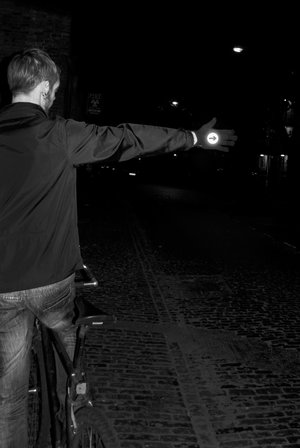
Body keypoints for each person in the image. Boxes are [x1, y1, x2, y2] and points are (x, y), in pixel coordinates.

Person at [0, 47, 237, 448]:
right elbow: (128, 138)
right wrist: (193, 137)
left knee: (8, 399)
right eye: (54, 91)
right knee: (67, 361)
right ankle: (71, 416)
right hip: (51, 282)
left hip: (3, 286)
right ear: (42, 88)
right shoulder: (58, 134)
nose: (54, 98)